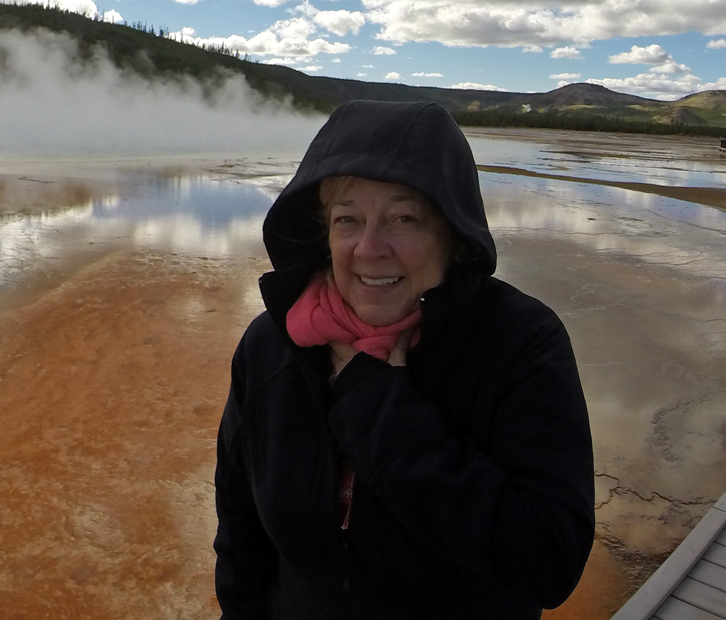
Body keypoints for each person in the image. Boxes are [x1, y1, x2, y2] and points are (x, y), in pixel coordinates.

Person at [214, 101, 595, 618]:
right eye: (348, 219)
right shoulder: (274, 345)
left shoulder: (518, 344)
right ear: (324, 234)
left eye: (404, 218)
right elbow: (240, 529)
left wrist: (384, 417)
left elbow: (550, 561)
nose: (370, 247)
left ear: (454, 237)